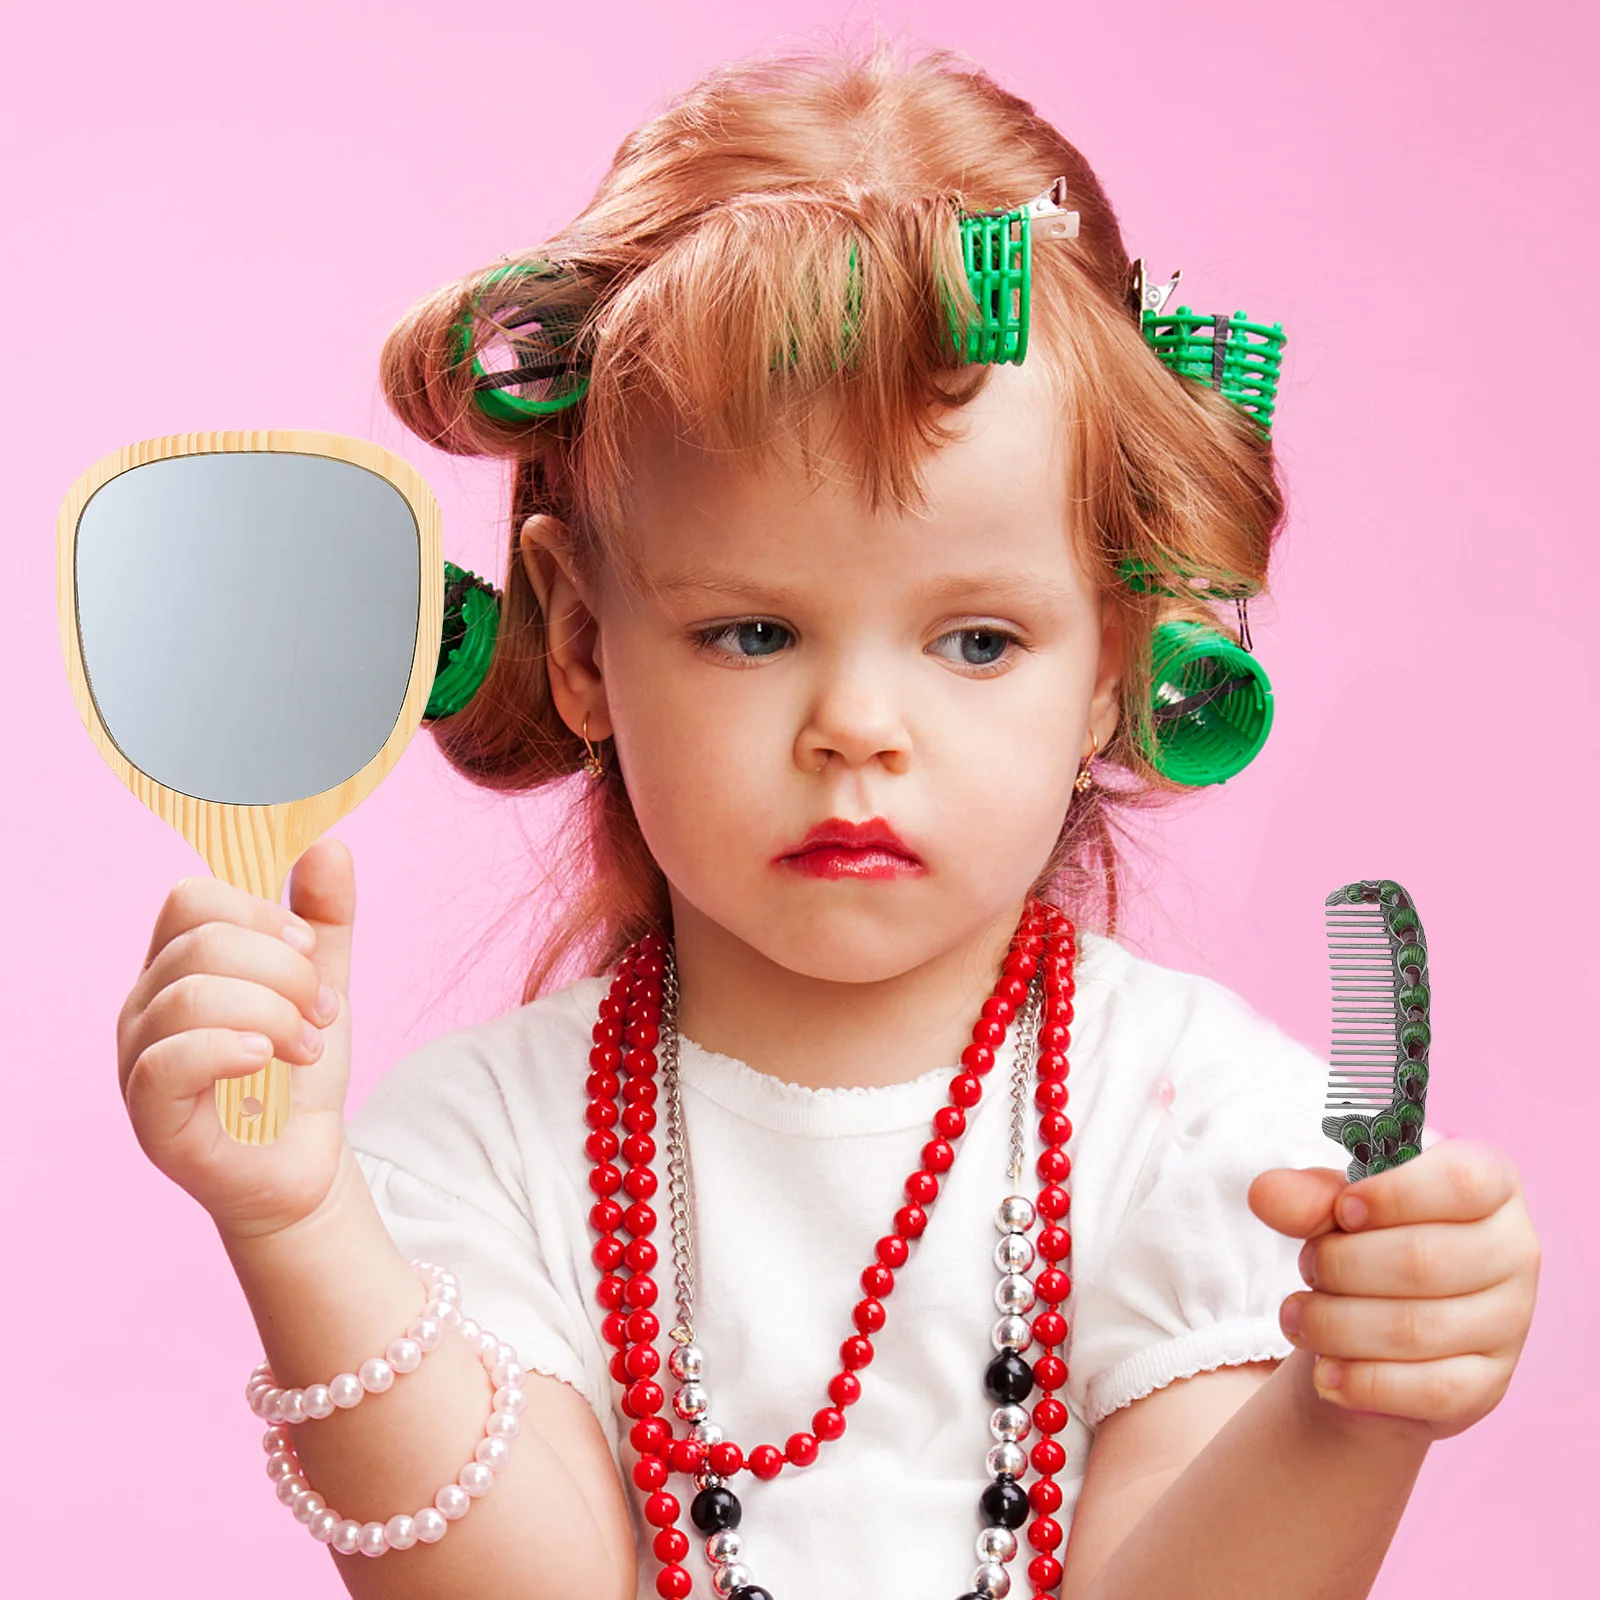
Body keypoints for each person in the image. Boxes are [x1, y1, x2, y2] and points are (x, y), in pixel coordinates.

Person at [115, 38, 1540, 1600]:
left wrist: (1353, 1409)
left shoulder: (1207, 1132)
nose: (858, 727)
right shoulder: (477, 1147)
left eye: (977, 641)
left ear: (1112, 671)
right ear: (586, 646)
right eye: (752, 631)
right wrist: (300, 1225)